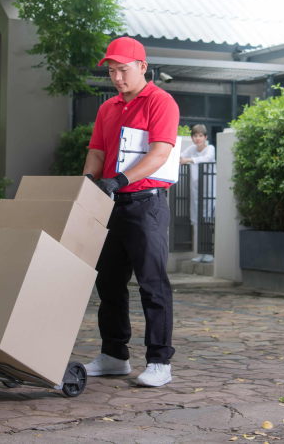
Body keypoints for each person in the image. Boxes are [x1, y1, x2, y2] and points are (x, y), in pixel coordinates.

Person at [81, 36, 180, 388]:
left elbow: (160, 153)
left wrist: (119, 179)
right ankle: (114, 356)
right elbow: (96, 151)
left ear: (142, 66)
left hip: (146, 204)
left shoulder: (160, 101)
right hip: (111, 206)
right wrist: (90, 182)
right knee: (108, 282)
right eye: (111, 71)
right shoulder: (107, 109)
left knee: (152, 283)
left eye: (123, 70)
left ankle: (159, 361)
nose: (117, 77)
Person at [179, 125, 216, 230]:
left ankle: (206, 239)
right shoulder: (192, 149)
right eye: (195, 136)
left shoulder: (210, 148)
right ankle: (196, 241)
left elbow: (207, 158)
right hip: (195, 187)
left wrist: (188, 160)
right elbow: (180, 156)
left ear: (206, 137)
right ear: (192, 138)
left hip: (208, 187)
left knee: (208, 211)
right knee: (195, 211)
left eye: (200, 135)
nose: (198, 138)